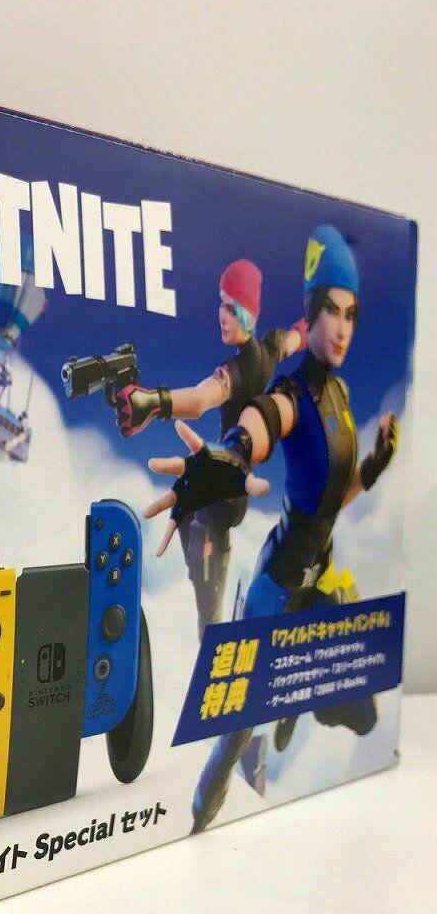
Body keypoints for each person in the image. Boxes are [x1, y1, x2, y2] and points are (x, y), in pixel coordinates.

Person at [144, 226, 399, 832]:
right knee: (235, 729)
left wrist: (373, 466)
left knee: (363, 713)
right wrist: (229, 455)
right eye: (331, 311)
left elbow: (333, 496)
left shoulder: (340, 393)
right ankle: (198, 821)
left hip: (318, 581)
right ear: (311, 315)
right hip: (278, 582)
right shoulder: (294, 393)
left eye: (352, 315)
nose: (343, 327)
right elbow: (263, 421)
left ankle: (293, 701)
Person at [113, 259, 307, 636]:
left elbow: (201, 399)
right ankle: (213, 596)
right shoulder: (269, 350)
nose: (222, 315)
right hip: (228, 486)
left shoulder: (240, 371)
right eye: (221, 303)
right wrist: (309, 325)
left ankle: (214, 615)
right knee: (187, 504)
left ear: (249, 315)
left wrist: (154, 402)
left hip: (226, 495)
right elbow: (294, 338)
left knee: (206, 588)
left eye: (232, 308)